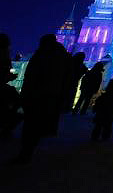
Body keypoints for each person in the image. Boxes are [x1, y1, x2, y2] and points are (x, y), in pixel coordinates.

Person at [12, 35, 70, 164]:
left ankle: (25, 153)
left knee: (31, 123)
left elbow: (35, 74)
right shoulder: (61, 56)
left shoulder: (45, 54)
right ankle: (28, 149)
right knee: (36, 123)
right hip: (50, 95)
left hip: (37, 94)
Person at [1, 34, 22, 139]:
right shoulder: (4, 55)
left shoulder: (5, 55)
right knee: (18, 103)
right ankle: (6, 128)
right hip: (2, 87)